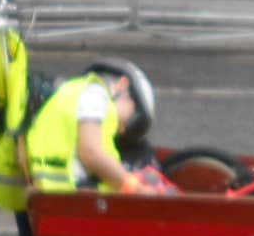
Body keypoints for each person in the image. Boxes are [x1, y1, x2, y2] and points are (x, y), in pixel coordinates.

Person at [23, 57, 158, 195]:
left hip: (50, 197)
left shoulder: (69, 91)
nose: (121, 129)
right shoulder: (95, 94)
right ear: (122, 85)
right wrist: (136, 189)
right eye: (130, 121)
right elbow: (91, 153)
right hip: (78, 197)